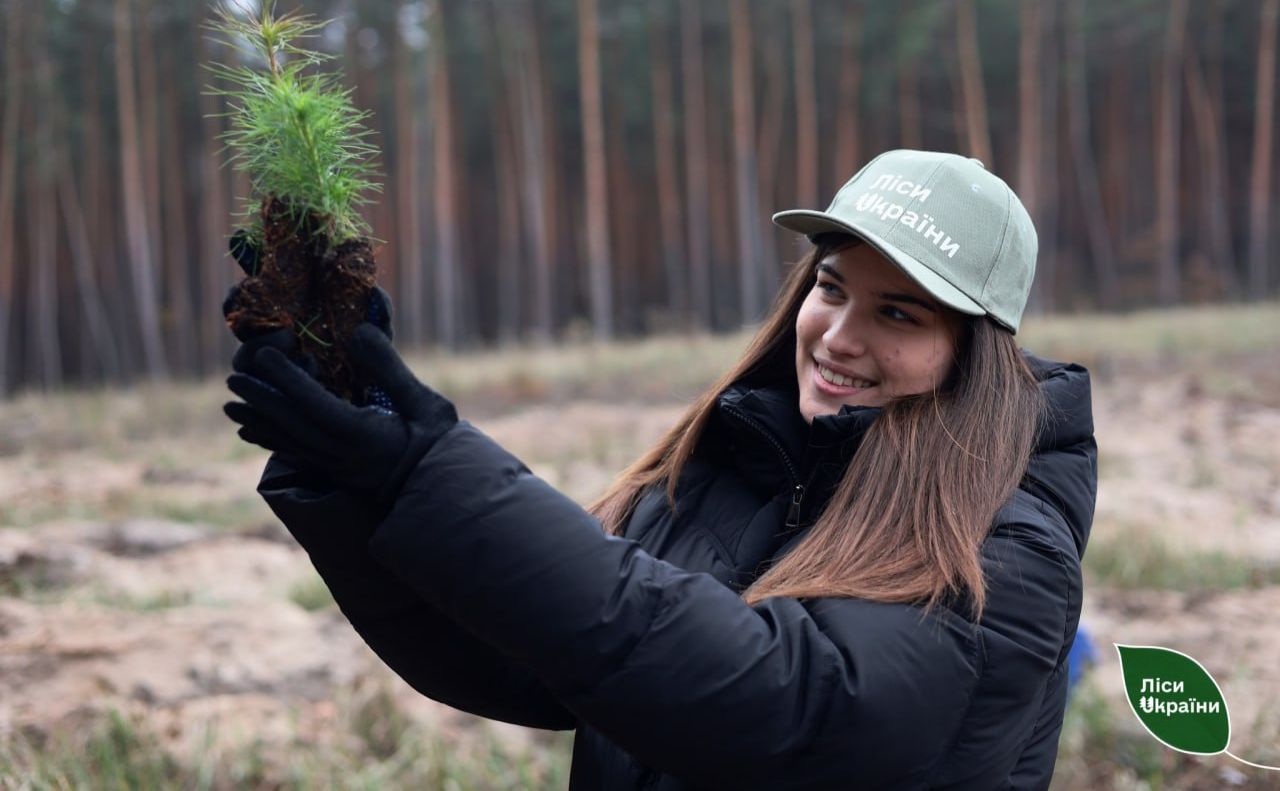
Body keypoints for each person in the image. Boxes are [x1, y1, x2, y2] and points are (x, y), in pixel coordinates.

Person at [224, 149, 1097, 790]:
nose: (837, 336)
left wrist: (433, 473)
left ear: (970, 352)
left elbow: (797, 712)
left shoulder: (1005, 547)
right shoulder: (737, 462)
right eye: (831, 289)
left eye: (897, 312)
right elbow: (540, 655)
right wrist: (362, 472)